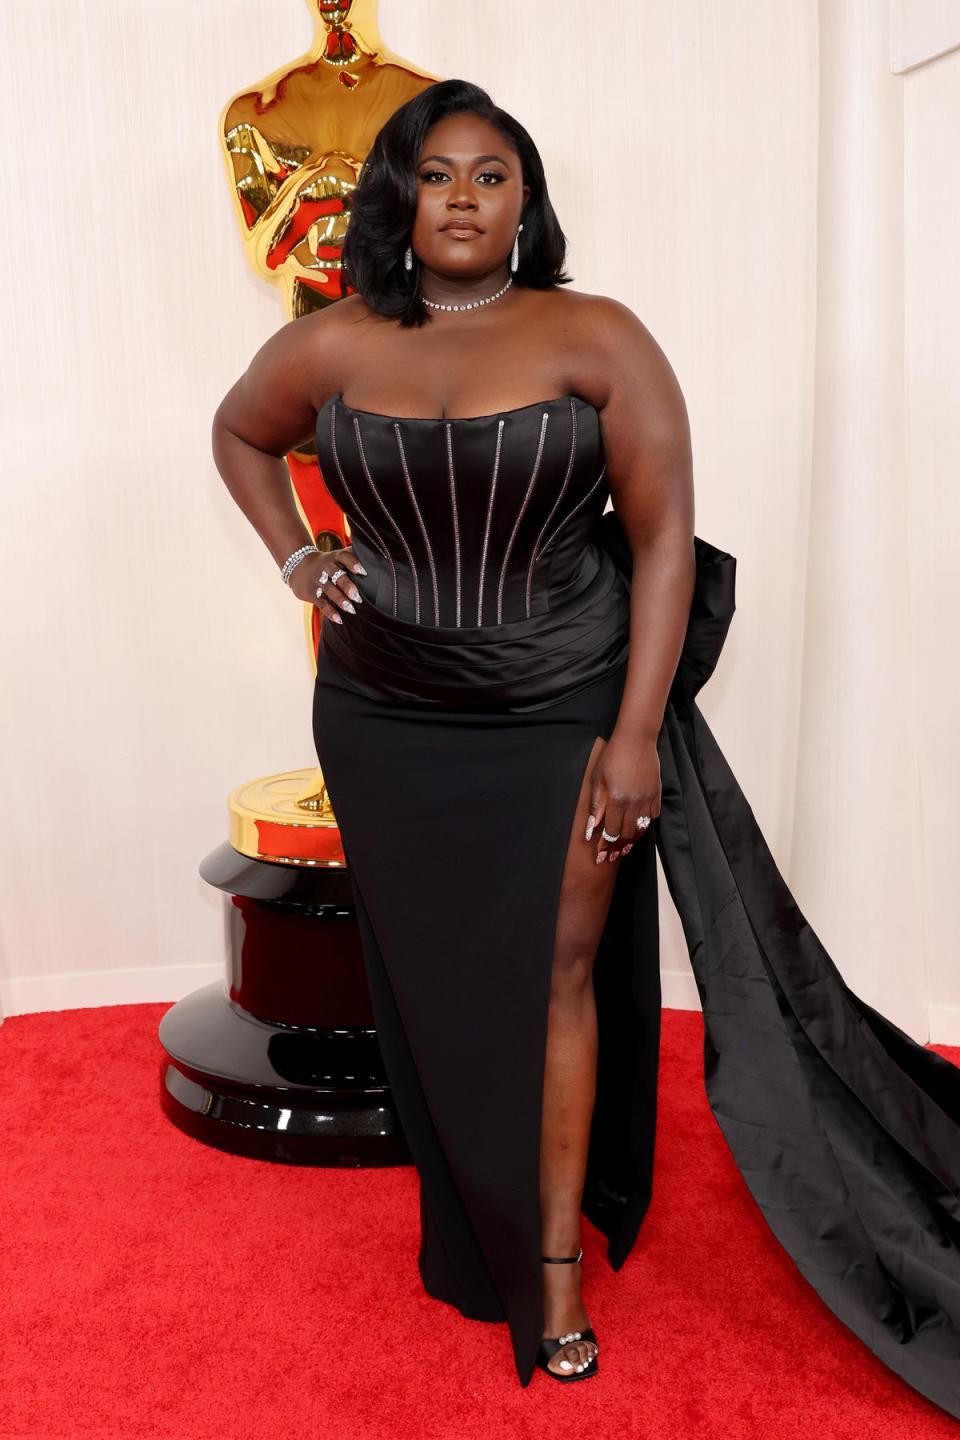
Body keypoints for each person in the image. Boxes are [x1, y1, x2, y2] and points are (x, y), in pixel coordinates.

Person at [211, 80, 960, 1413]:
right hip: (385, 717)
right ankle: (469, 1225)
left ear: (527, 201)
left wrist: (631, 740)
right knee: (433, 975)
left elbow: (664, 537)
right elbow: (237, 431)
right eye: (435, 175)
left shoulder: (596, 335)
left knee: (557, 974)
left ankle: (551, 1270)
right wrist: (297, 558)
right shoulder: (330, 343)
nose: (461, 198)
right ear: (399, 195)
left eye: (491, 175)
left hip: (559, 709)